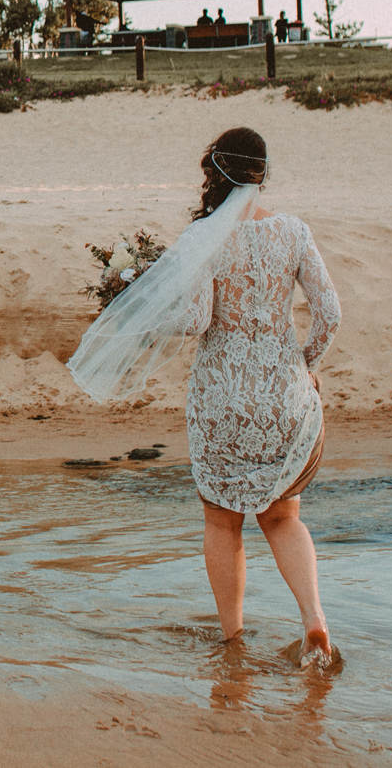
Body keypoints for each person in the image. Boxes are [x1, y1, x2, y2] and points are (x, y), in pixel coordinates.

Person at [67, 127, 341, 667]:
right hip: (283, 395)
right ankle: (313, 620)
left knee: (222, 522)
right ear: (263, 174)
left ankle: (233, 642)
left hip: (221, 400)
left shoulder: (204, 240)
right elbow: (330, 316)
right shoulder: (294, 231)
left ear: (214, 174)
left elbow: (195, 320)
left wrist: (140, 299)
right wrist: (302, 368)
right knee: (284, 518)